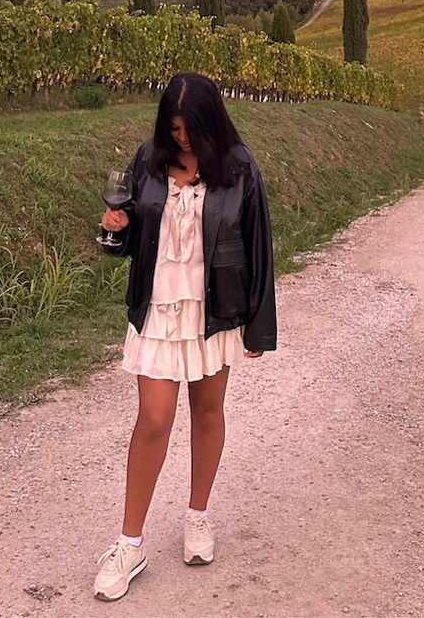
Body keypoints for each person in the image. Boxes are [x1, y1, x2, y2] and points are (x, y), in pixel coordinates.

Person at [93, 71, 277, 602]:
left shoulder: (239, 168)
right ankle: (129, 544)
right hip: (157, 309)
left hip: (214, 310)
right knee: (154, 419)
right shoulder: (149, 160)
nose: (182, 139)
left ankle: (197, 516)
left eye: (190, 129)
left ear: (211, 121)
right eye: (173, 129)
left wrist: (258, 326)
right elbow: (127, 236)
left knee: (208, 411)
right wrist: (113, 230)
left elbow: (259, 247)